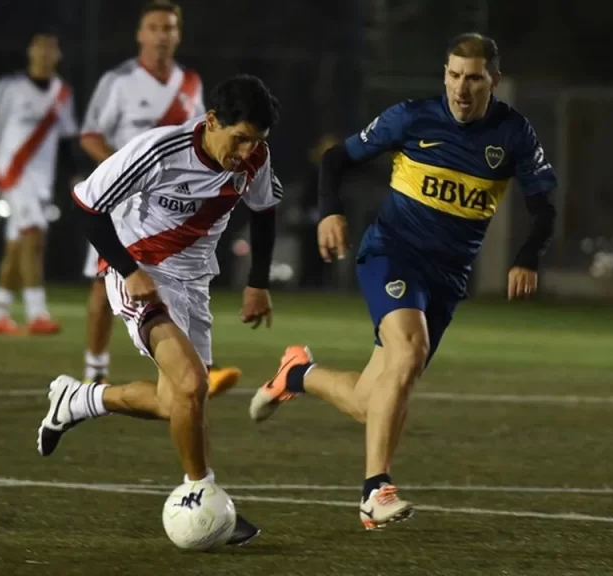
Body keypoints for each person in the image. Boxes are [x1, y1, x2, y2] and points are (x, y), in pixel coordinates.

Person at [249, 33, 559, 530]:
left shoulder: (514, 133)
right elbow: (335, 159)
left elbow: (544, 208)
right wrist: (330, 213)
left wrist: (527, 256)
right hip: (392, 253)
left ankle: (297, 375)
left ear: (493, 82)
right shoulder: (413, 117)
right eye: (454, 75)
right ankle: (375, 490)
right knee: (408, 351)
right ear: (444, 74)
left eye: (474, 78)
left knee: (371, 401)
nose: (461, 88)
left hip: (446, 278)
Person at [38, 74, 284, 546]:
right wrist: (129, 269)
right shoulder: (158, 151)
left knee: (177, 403)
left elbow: (265, 210)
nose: (247, 152)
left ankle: (80, 400)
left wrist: (258, 282)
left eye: (256, 142)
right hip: (141, 275)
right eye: (239, 139)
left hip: (194, 285)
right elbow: (86, 206)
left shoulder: (256, 160)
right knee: (192, 384)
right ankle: (202, 496)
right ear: (212, 121)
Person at [77, 0, 242, 395]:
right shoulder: (118, 82)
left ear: (178, 34)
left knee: (186, 275)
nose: (162, 35)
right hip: (121, 198)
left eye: (169, 28)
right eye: (154, 27)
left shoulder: (190, 83)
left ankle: (197, 364)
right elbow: (89, 134)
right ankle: (94, 368)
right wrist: (122, 170)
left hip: (171, 204)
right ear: (140, 34)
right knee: (104, 284)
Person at [0, 29, 80, 335]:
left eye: (52, 49)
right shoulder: (9, 87)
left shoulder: (62, 93)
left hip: (41, 182)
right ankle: (37, 313)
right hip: (12, 174)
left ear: (58, 55)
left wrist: (73, 174)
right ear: (31, 52)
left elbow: (65, 140)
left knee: (18, 246)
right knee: (34, 236)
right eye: (41, 48)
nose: (46, 54)